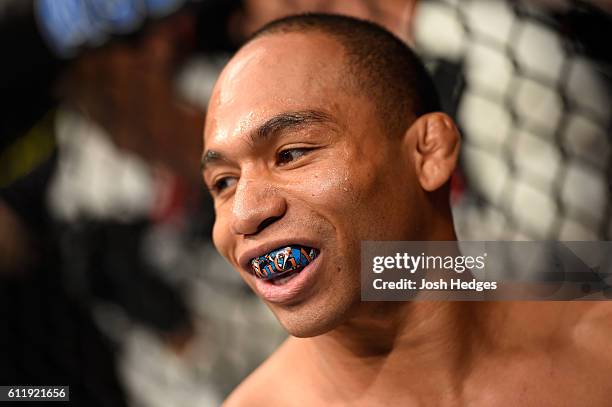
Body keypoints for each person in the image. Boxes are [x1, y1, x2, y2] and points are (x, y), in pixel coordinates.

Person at [201, 13, 612, 406]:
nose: (244, 213)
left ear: (427, 151)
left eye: (291, 154)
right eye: (224, 182)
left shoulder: (598, 350)